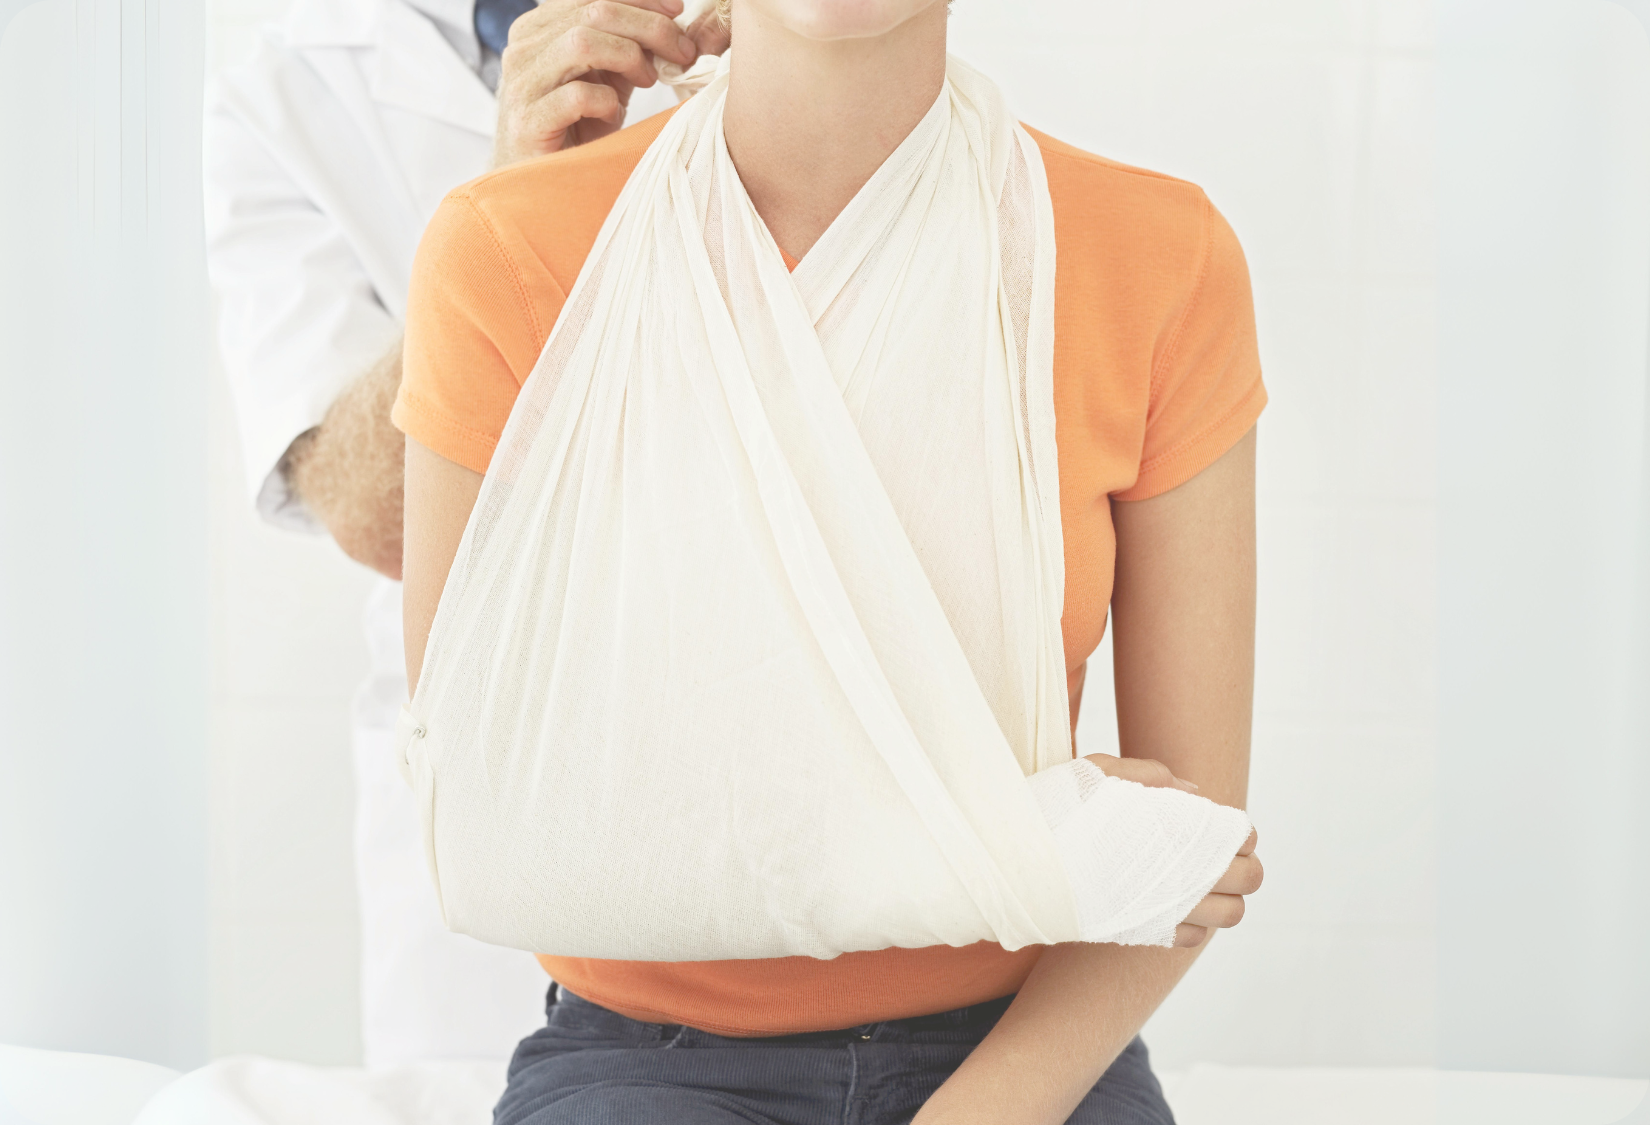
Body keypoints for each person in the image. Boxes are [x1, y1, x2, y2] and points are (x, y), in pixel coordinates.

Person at [397, 0, 1266, 1120]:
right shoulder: (512, 246)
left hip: (1024, 1054)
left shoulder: (1158, 258)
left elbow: (1193, 836)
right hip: (645, 1065)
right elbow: (484, 794)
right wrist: (1027, 838)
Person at [202, 0, 728, 1066]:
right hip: (484, 776)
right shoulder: (282, 86)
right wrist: (507, 221)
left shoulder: (752, 24)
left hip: (752, 738)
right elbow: (369, 513)